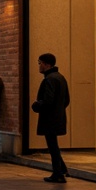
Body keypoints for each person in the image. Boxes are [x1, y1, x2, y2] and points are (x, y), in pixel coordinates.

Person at [32, 52, 70, 183]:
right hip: (58, 116)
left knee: (52, 145)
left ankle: (58, 173)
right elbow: (66, 100)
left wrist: (37, 105)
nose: (39, 66)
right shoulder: (60, 77)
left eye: (40, 63)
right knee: (53, 145)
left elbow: (48, 100)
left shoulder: (49, 79)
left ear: (46, 64)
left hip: (50, 118)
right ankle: (61, 169)